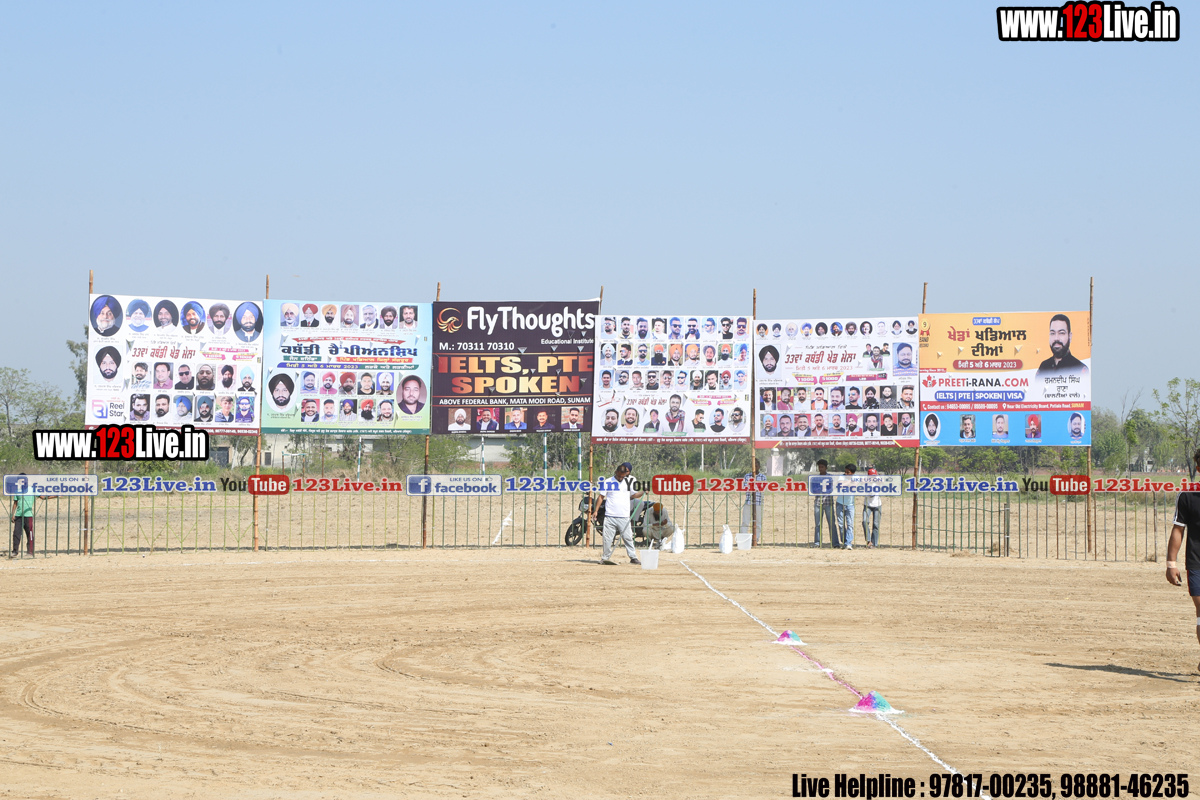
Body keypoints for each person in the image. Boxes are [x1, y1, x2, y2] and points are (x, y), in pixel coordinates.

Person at [1165, 450, 1200, 672]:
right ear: (1198, 468)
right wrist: (1171, 564)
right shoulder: (1187, 496)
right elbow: (1178, 530)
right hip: (1197, 563)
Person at [594, 462, 642, 565]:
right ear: (616, 472)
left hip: (624, 516)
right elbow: (601, 497)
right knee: (607, 539)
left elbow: (634, 495)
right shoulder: (608, 482)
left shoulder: (629, 482)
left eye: (622, 476)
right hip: (610, 516)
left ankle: (633, 558)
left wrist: (643, 492)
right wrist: (596, 511)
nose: (620, 478)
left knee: (628, 538)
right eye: (619, 476)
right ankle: (605, 558)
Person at [9, 476, 41, 558]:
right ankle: (15, 552)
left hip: (28, 515)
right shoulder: (17, 491)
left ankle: (30, 552)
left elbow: (43, 497)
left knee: (30, 533)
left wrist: (56, 495)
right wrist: (12, 514)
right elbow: (15, 503)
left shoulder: (32, 490)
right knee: (16, 534)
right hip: (18, 515)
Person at [813, 460, 838, 548]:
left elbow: (834, 488)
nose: (820, 469)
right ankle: (817, 542)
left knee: (832, 524)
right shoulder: (815, 478)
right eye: (819, 467)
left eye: (822, 467)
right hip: (818, 502)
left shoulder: (831, 477)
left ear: (826, 468)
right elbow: (813, 490)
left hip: (828, 502)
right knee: (818, 524)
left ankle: (835, 543)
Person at [741, 458, 765, 543]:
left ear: (759, 466)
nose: (755, 467)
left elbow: (762, 488)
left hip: (758, 502)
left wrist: (754, 487)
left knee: (758, 522)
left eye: (756, 465)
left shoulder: (763, 477)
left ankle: (756, 539)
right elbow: (744, 487)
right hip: (748, 501)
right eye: (753, 465)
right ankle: (743, 539)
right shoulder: (747, 476)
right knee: (745, 521)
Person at [834, 463, 857, 550]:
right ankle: (844, 542)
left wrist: (846, 483)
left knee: (850, 524)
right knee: (841, 524)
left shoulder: (856, 477)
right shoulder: (841, 476)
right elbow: (840, 485)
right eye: (845, 472)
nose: (846, 474)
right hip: (840, 503)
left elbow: (854, 486)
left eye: (848, 472)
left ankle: (848, 543)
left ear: (853, 473)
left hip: (850, 504)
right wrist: (849, 482)